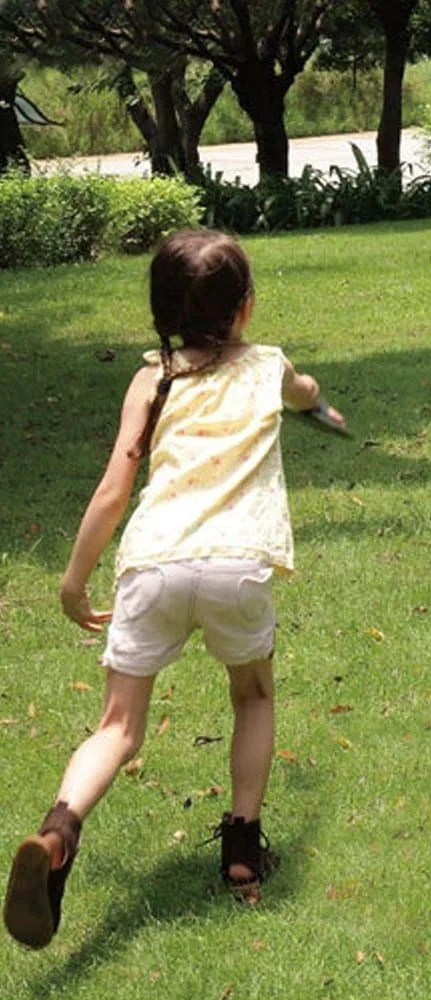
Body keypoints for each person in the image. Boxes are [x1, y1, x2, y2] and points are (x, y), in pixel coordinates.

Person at [3, 228, 345, 948]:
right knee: (251, 694)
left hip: (154, 563)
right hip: (236, 566)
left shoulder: (152, 380)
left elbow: (114, 486)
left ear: (161, 313)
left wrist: (73, 580)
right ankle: (244, 852)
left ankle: (58, 832)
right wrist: (315, 405)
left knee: (118, 729)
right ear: (245, 309)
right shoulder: (268, 367)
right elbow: (303, 389)